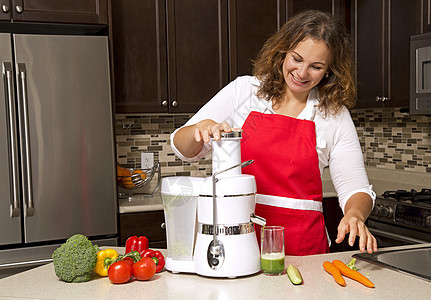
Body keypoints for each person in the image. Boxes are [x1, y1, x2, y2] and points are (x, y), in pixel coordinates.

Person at [170, 10, 377, 255]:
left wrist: (354, 214)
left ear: (329, 70)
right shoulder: (243, 91)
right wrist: (198, 129)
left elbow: (356, 189)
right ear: (282, 51)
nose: (302, 73)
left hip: (303, 250)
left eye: (316, 67)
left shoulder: (333, 114)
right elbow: (181, 148)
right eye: (297, 59)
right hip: (235, 243)